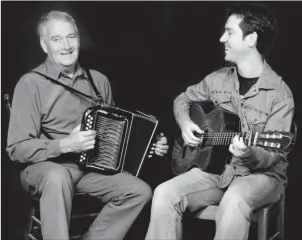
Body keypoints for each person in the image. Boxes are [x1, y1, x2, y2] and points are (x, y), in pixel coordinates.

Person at [6, 10, 169, 240]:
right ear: (44, 45)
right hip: (45, 168)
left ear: (79, 39)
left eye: (71, 37)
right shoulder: (30, 84)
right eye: (57, 39)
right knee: (58, 177)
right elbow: (17, 149)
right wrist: (65, 145)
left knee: (139, 191)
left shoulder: (98, 80)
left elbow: (116, 138)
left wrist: (150, 145)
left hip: (89, 169)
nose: (66, 45)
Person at [146, 3, 294, 240]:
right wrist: (185, 124)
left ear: (251, 39)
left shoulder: (280, 94)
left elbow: (273, 157)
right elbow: (182, 99)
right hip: (217, 170)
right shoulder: (218, 79)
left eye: (230, 32)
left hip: (262, 177)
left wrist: (248, 154)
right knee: (164, 192)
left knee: (234, 198)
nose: (222, 37)